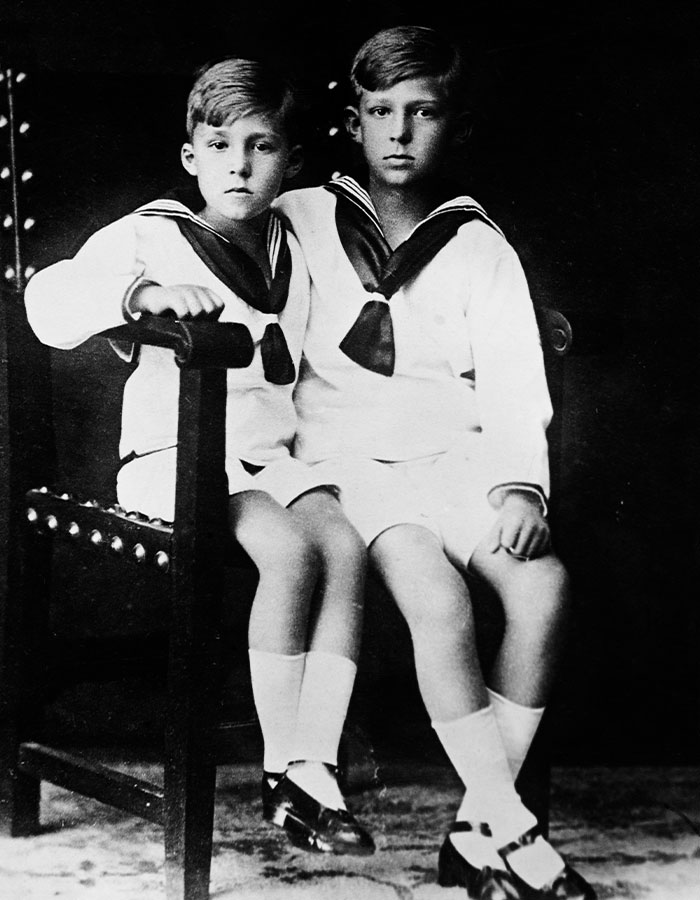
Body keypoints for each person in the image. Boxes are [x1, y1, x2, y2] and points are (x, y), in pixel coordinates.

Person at [24, 57, 375, 857]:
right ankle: (284, 772)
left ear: (290, 161)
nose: (239, 166)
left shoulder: (296, 240)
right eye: (220, 147)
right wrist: (139, 297)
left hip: (267, 457)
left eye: (261, 146)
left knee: (346, 548)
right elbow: (46, 299)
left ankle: (312, 761)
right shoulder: (153, 234)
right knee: (289, 554)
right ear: (191, 157)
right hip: (179, 457)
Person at [275, 25, 596, 900]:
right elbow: (192, 244)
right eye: (381, 112)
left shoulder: (478, 246)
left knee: (544, 587)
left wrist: (518, 485)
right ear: (353, 123)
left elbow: (514, 379)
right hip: (350, 464)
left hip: (455, 460)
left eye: (423, 113)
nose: (400, 132)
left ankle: (474, 830)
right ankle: (512, 828)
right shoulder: (298, 218)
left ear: (456, 126)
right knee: (438, 597)